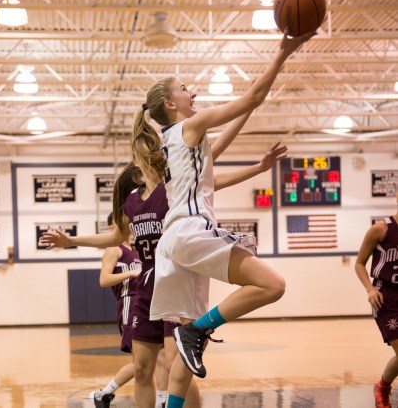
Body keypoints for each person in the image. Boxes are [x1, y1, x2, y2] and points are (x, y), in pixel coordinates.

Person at [133, 29, 315, 407]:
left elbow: (214, 166)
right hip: (190, 232)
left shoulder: (173, 140)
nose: (193, 92)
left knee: (183, 356)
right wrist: (283, 53)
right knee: (272, 285)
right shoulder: (189, 126)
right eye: (185, 88)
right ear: (170, 103)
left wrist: (258, 165)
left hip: (174, 243)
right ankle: (198, 331)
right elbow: (253, 96)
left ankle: (188, 353)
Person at [42, 147, 286, 408]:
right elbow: (115, 236)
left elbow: (213, 181)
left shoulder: (173, 191)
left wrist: (259, 168)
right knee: (141, 368)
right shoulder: (132, 202)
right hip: (146, 288)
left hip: (174, 280)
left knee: (174, 365)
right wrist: (71, 241)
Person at [87, 211, 141, 407]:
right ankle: (103, 393)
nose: (128, 222)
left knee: (151, 360)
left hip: (143, 304)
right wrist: (131, 274)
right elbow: (104, 280)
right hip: (129, 303)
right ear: (112, 228)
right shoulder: (114, 249)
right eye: (123, 220)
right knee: (143, 361)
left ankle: (103, 394)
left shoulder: (136, 249)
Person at [355, 191, 398, 408]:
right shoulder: (381, 229)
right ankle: (383, 388)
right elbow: (359, 263)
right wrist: (370, 289)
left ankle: (382, 386)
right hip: (385, 296)